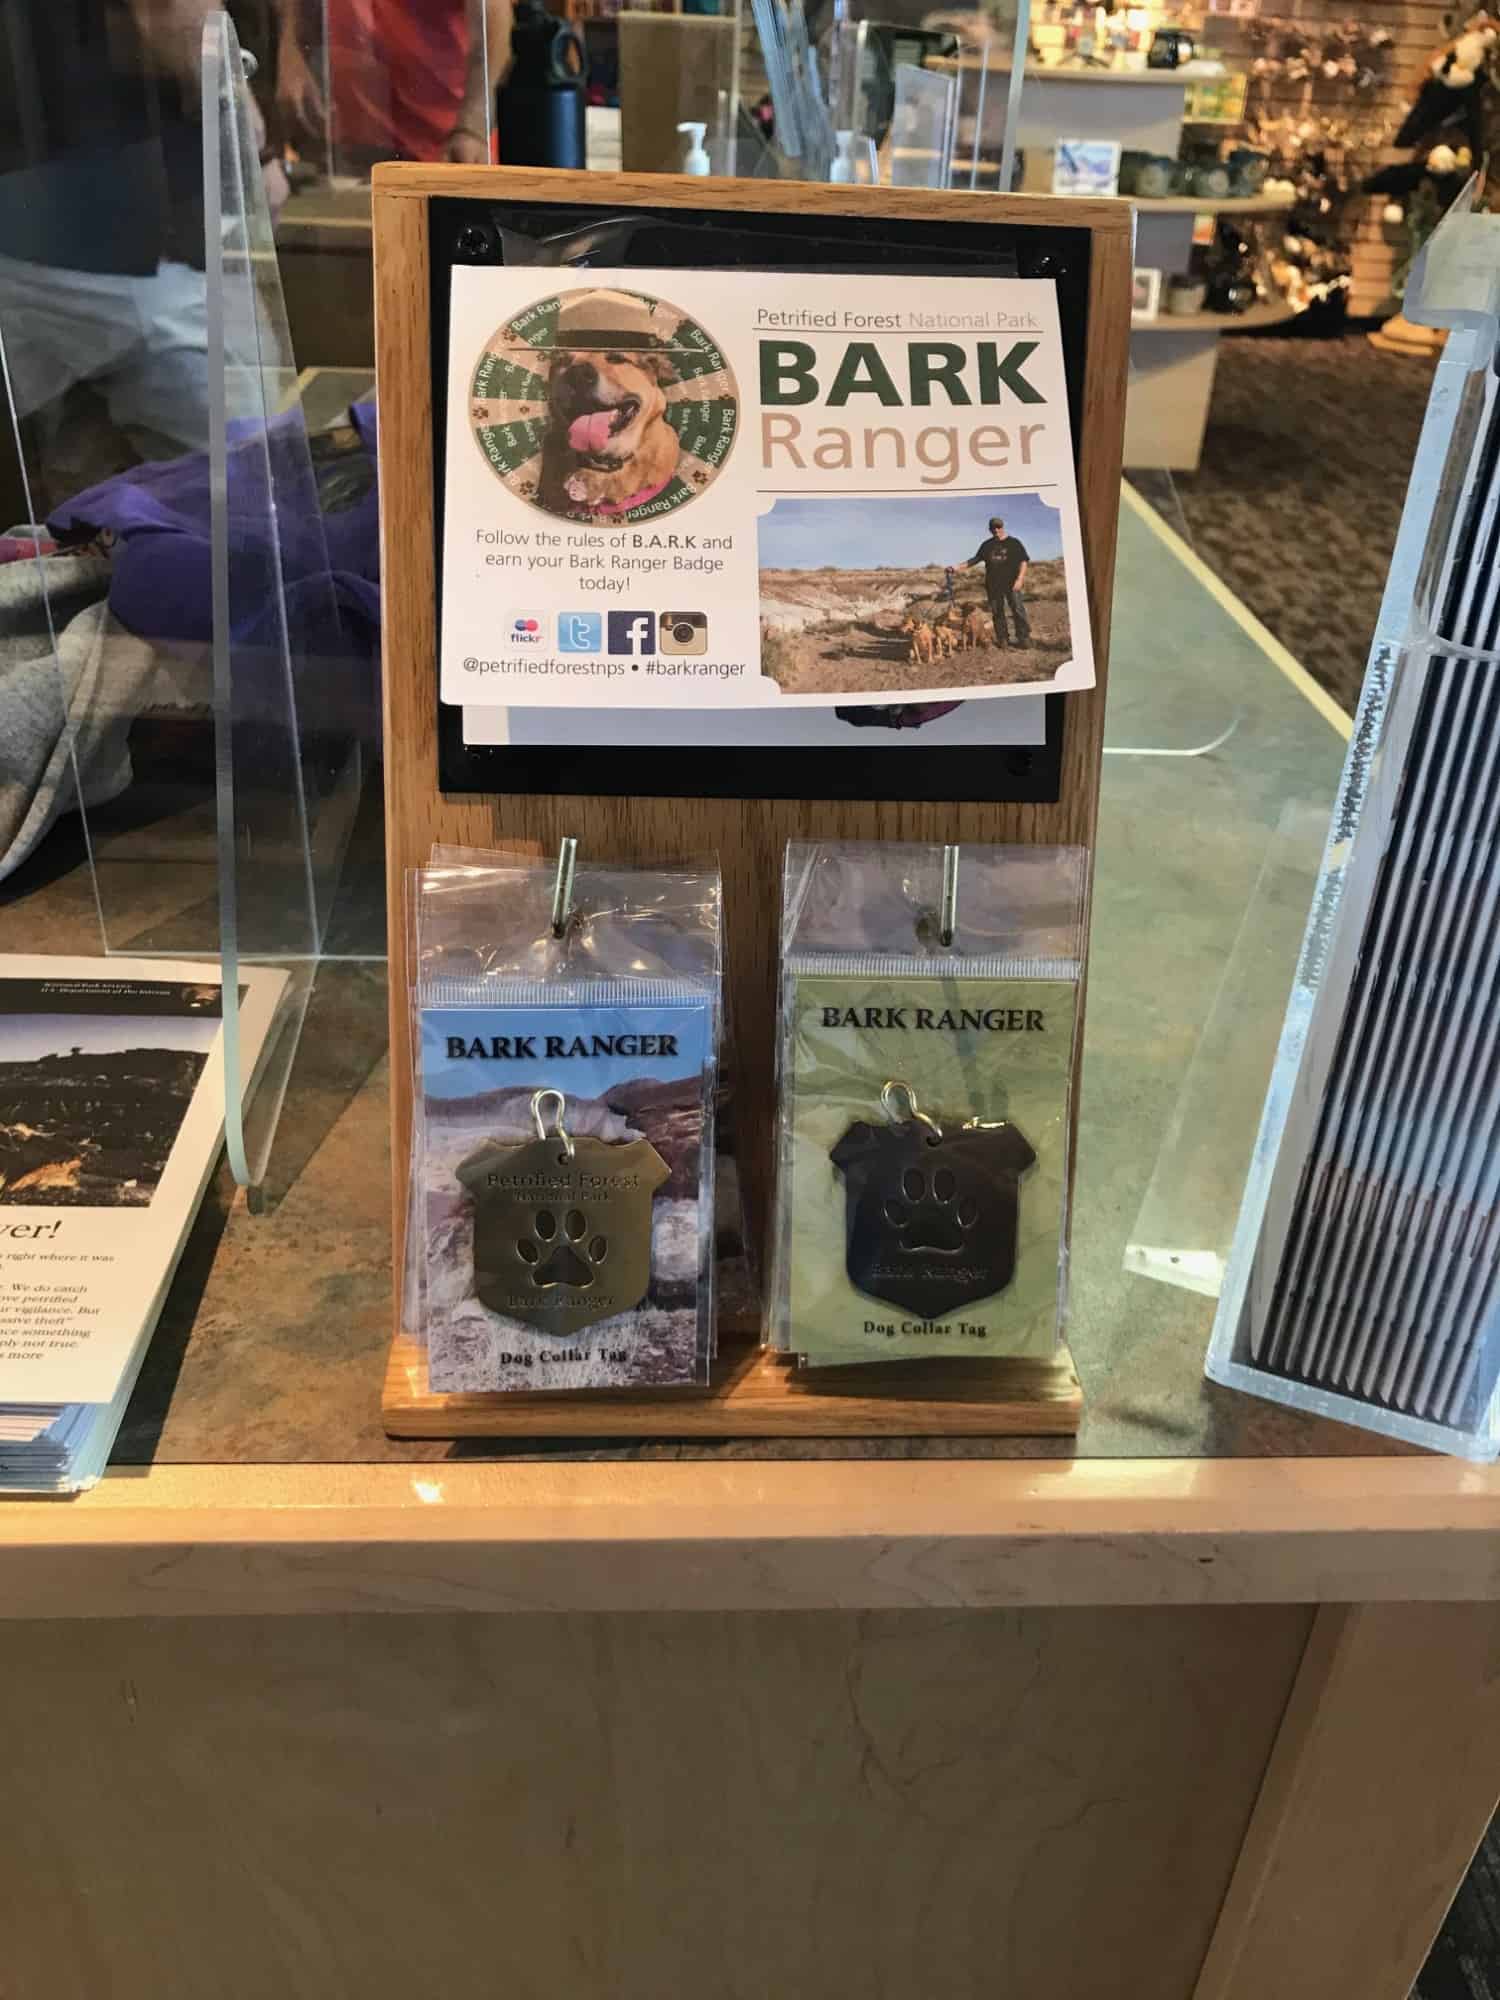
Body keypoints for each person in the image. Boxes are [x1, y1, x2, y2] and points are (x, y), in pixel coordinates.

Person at [951, 515, 1031, 648]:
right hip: (993, 584)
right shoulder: (987, 545)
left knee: (1018, 609)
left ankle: (1023, 637)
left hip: (1012, 583)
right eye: (993, 528)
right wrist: (956, 567)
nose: (996, 530)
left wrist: (1020, 579)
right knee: (997, 612)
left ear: (1003, 527)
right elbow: (974, 560)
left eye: (998, 527)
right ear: (990, 529)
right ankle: (1003, 639)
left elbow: (1023, 561)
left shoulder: (1014, 543)